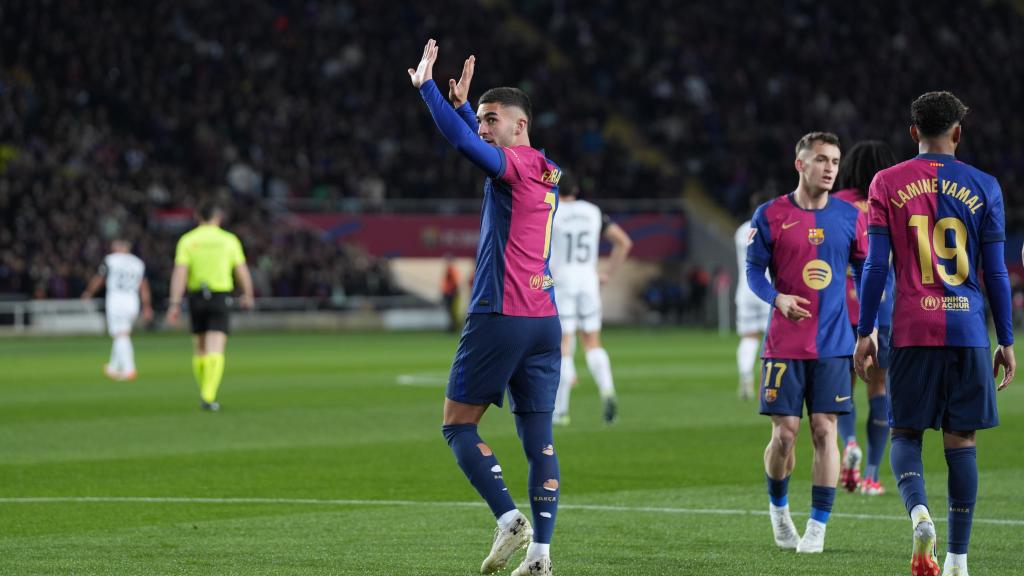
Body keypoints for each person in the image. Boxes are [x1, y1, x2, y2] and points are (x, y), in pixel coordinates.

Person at [408, 40, 561, 576]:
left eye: (492, 119)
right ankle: (541, 556)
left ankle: (508, 519)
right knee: (538, 436)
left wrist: (428, 90)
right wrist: (466, 108)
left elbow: (461, 145)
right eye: (482, 118)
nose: (483, 127)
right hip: (545, 317)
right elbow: (474, 141)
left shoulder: (513, 165)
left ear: (519, 126)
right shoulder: (548, 170)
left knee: (456, 425)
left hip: (501, 313)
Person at [854, 91, 1014, 576]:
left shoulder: (886, 181)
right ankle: (958, 560)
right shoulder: (986, 185)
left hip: (911, 328)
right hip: (967, 329)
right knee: (961, 441)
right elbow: (997, 273)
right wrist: (1006, 339)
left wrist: (865, 332)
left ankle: (919, 511)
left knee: (904, 432)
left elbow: (875, 266)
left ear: (912, 133)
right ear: (958, 133)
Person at [746, 132, 865, 554]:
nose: (830, 167)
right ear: (801, 164)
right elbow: (753, 273)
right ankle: (779, 512)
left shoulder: (850, 217)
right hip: (783, 345)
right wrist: (776, 297)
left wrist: (865, 326)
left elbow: (867, 269)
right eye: (821, 160)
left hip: (833, 342)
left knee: (824, 429)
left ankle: (817, 526)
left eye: (834, 160)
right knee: (784, 435)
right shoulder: (771, 215)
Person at [831, 141, 898, 495]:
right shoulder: (892, 201)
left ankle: (850, 444)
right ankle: (872, 474)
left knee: (843, 386)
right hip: (883, 309)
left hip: (841, 310)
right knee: (880, 386)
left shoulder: (834, 203)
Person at [548, 170, 632, 425]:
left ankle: (561, 412)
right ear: (576, 191)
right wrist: (607, 274)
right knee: (593, 342)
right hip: (588, 280)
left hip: (562, 281)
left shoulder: (552, 212)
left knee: (563, 347)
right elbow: (624, 243)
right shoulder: (594, 212)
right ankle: (607, 390)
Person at [165, 200, 255, 411]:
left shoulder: (188, 240)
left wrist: (175, 302)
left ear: (198, 217)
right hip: (220, 295)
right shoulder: (228, 240)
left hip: (196, 296)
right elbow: (241, 270)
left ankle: (205, 390)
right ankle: (208, 394)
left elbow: (180, 273)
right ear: (218, 217)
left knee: (200, 347)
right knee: (216, 346)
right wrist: (248, 294)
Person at [81, 239, 153, 380]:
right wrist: (146, 306)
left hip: (117, 300)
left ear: (120, 246)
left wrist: (89, 292)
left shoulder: (111, 260)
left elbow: (100, 278)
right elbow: (144, 286)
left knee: (121, 335)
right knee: (121, 333)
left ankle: (129, 369)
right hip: (132, 301)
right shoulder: (137, 262)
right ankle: (113, 367)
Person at [734, 194, 771, 400]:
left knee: (748, 337)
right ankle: (766, 383)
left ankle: (746, 377)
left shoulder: (741, 230)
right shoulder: (772, 228)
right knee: (771, 338)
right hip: (766, 289)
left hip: (745, 289)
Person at [441, 254, 462, 332]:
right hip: (448, 293)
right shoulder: (450, 270)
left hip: (451, 294)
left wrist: (451, 292)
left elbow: (455, 283)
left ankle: (454, 327)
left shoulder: (452, 270)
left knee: (453, 311)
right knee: (450, 311)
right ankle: (453, 327)